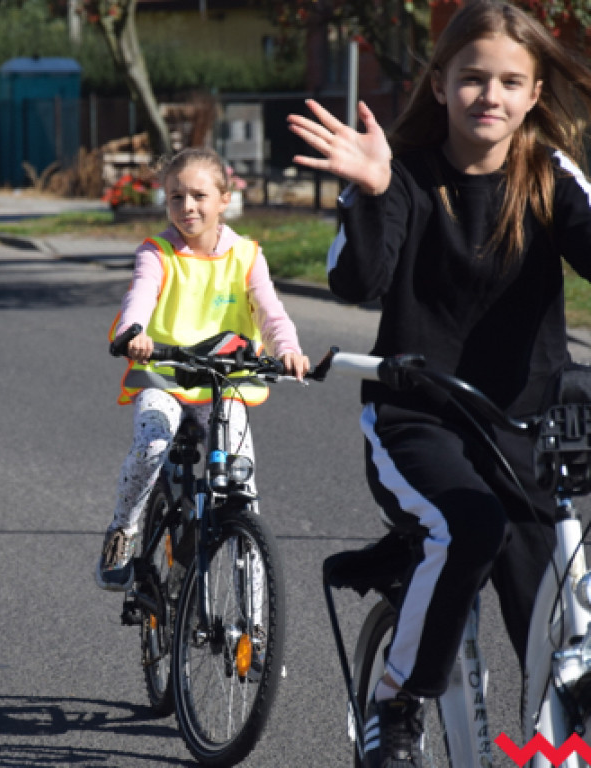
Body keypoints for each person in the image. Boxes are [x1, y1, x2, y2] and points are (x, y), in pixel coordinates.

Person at [286, 2, 591, 766]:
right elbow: (358, 279)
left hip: (529, 433)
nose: (491, 95)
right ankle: (397, 698)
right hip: (417, 420)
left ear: (533, 93)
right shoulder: (406, 173)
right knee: (469, 528)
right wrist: (369, 192)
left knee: (559, 635)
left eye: (510, 81)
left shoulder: (552, 177)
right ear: (441, 83)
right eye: (473, 78)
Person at [95, 147, 310, 591]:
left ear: (224, 199)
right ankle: (123, 529)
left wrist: (287, 348)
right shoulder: (156, 252)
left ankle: (255, 620)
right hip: (165, 376)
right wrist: (135, 330)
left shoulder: (247, 255)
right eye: (176, 197)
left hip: (222, 382)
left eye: (198, 195)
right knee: (153, 442)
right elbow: (141, 294)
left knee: (241, 485)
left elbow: (270, 312)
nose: (187, 206)